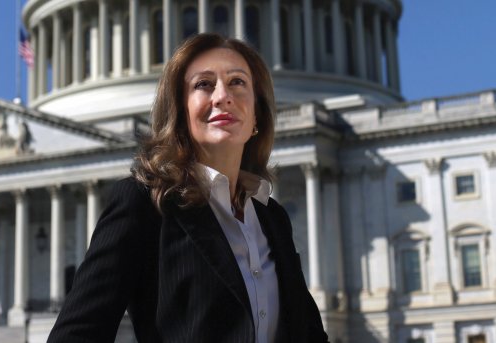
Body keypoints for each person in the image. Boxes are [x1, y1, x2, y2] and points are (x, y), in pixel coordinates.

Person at [47, 33, 328, 343]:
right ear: (180, 111)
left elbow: (309, 334)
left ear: (257, 115)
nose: (223, 96)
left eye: (237, 82)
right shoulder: (146, 204)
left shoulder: (271, 219)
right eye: (203, 84)